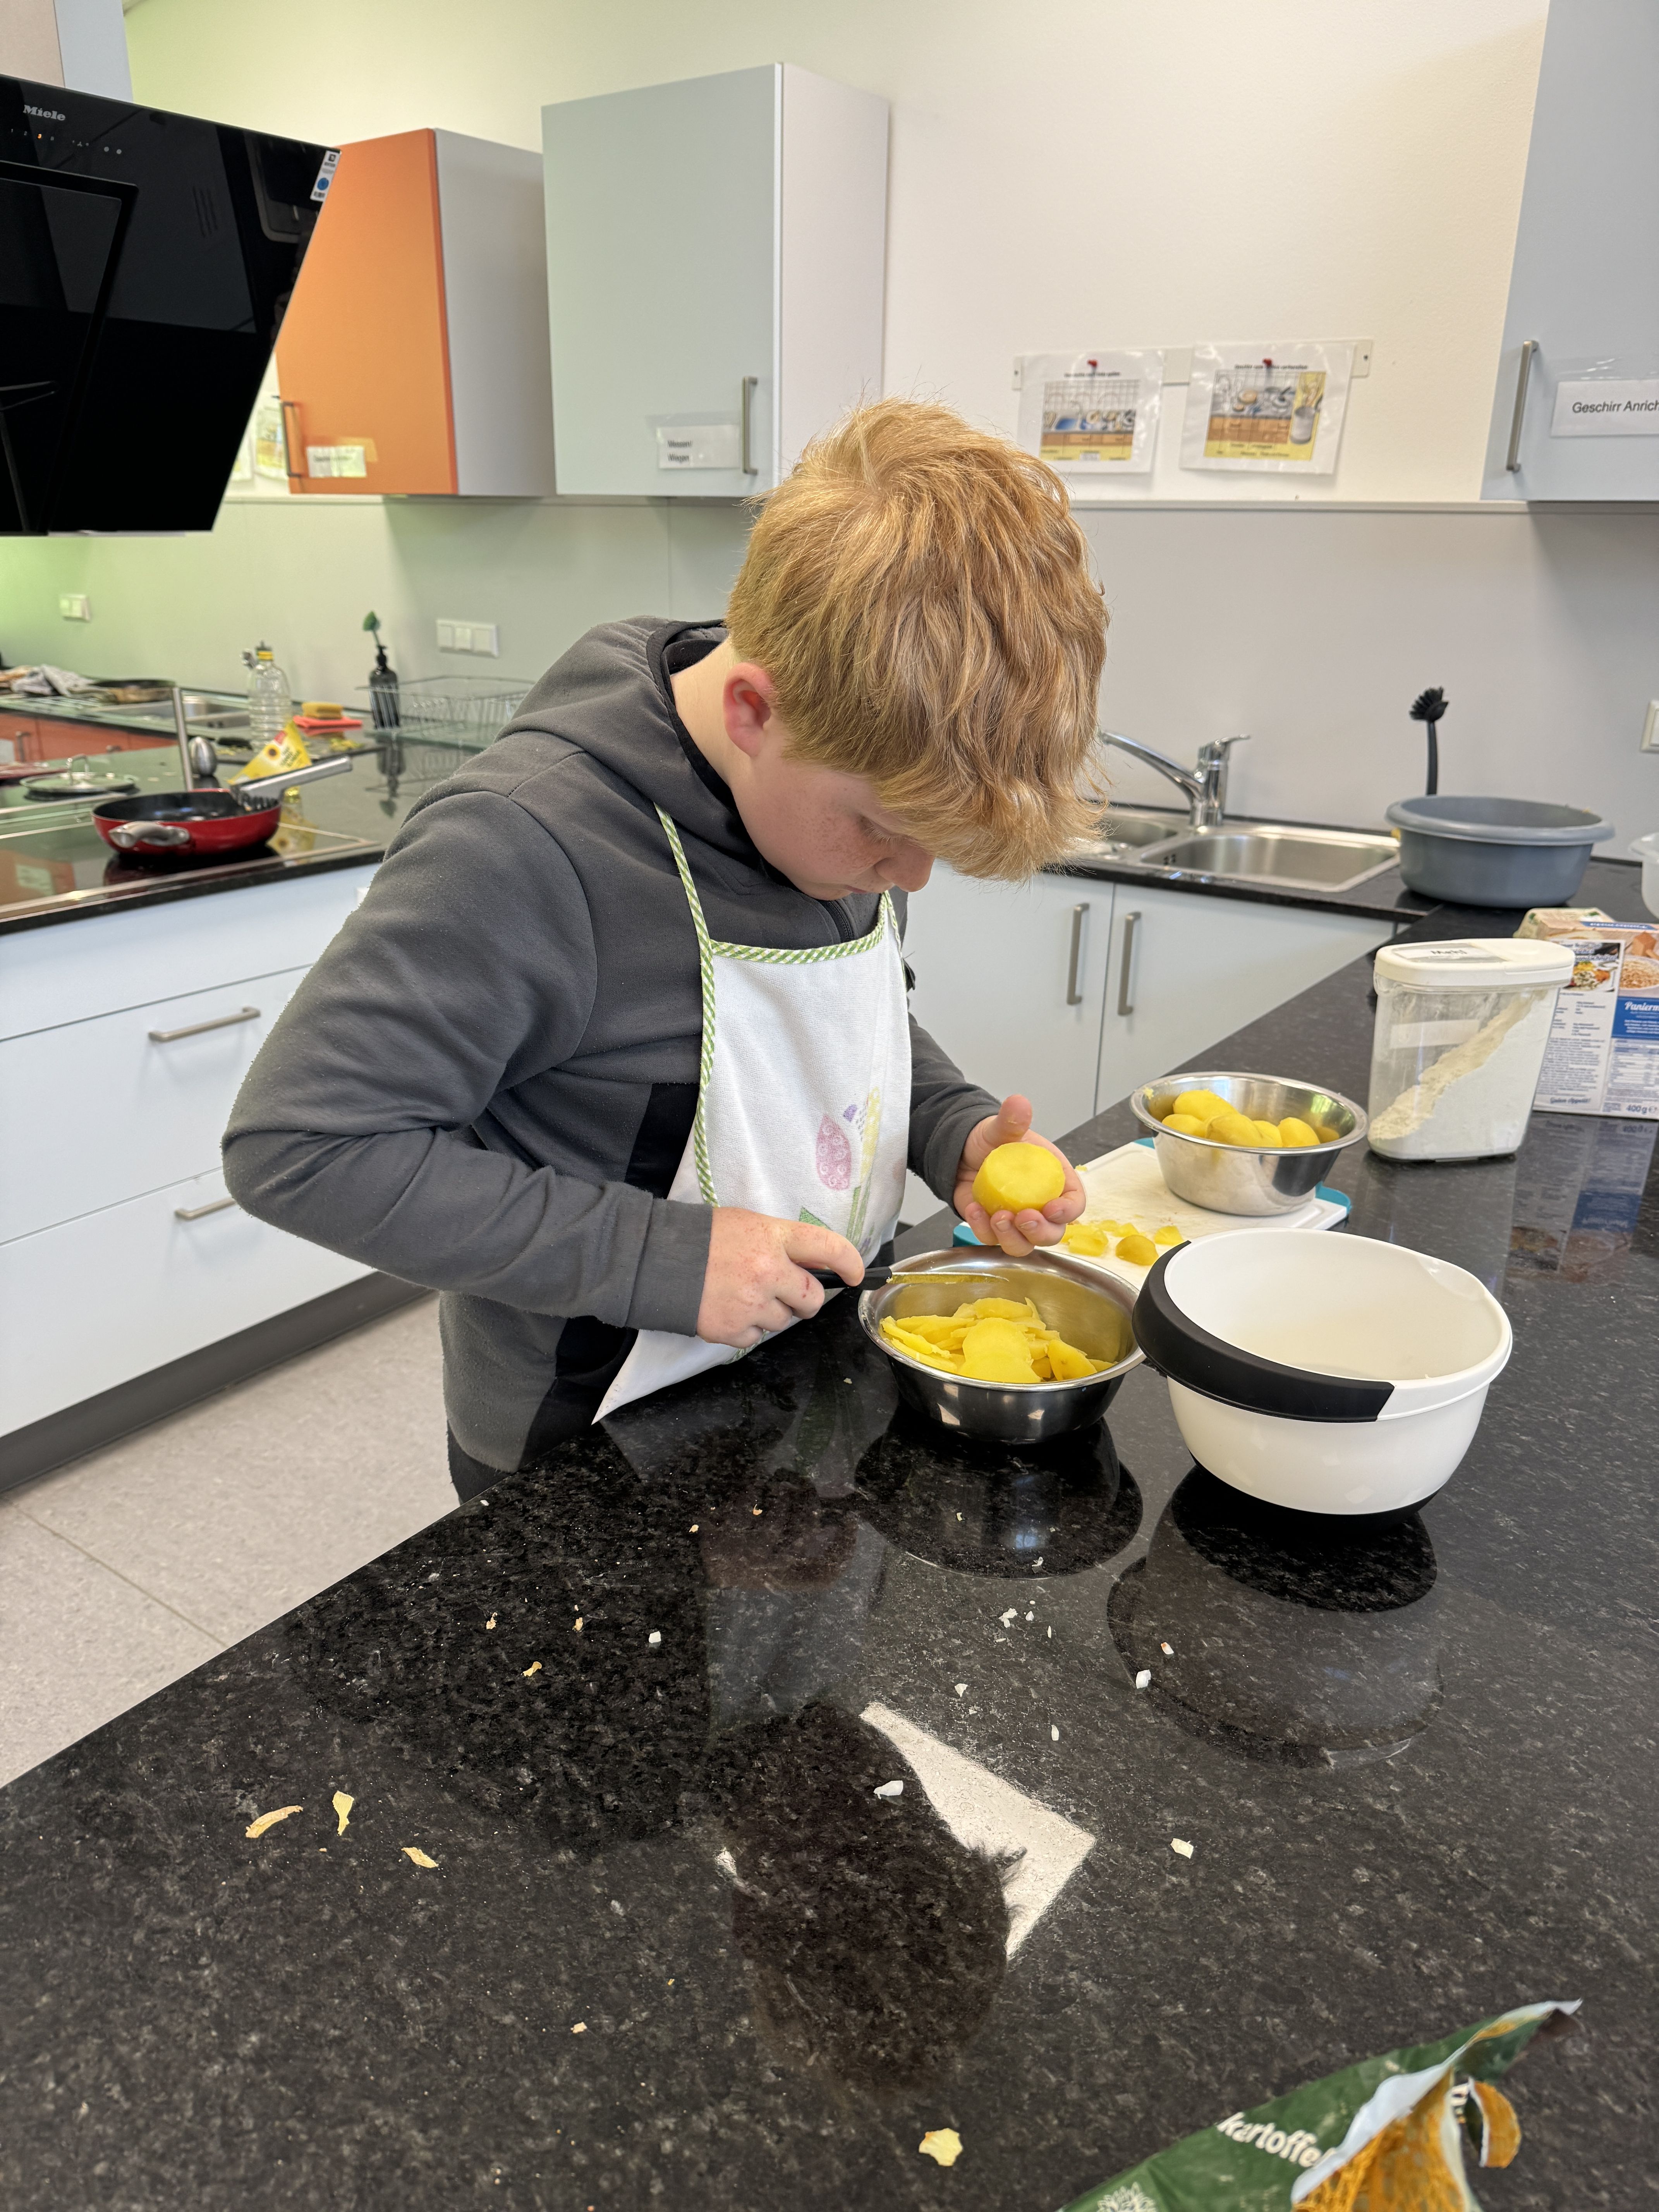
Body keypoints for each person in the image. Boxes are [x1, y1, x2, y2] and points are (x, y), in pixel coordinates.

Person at [223, 398, 1109, 1498]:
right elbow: (299, 1148)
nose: (911, 878)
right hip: (592, 1443)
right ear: (752, 712)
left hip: (811, 1380)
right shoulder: (521, 849)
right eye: (884, 830)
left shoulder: (829, 799)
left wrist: (947, 1126)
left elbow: (842, 1028)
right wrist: (659, 1257)